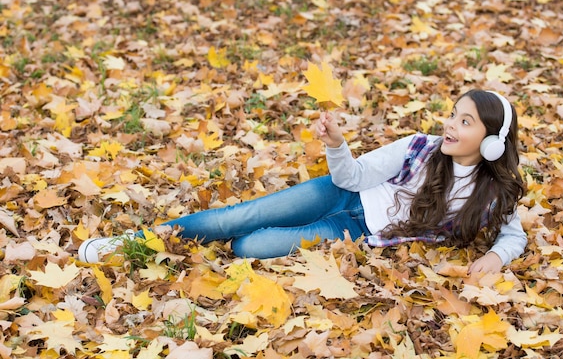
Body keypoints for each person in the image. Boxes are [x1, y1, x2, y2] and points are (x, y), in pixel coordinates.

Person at [79, 89, 527, 274]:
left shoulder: (493, 194)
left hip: (354, 230)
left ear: (490, 141)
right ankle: (131, 242)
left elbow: (514, 234)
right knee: (239, 216)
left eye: (464, 121)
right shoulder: (419, 147)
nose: (450, 125)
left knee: (247, 247)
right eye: (453, 114)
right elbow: (353, 175)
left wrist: (494, 257)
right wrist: (337, 144)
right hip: (339, 194)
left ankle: (229, 240)